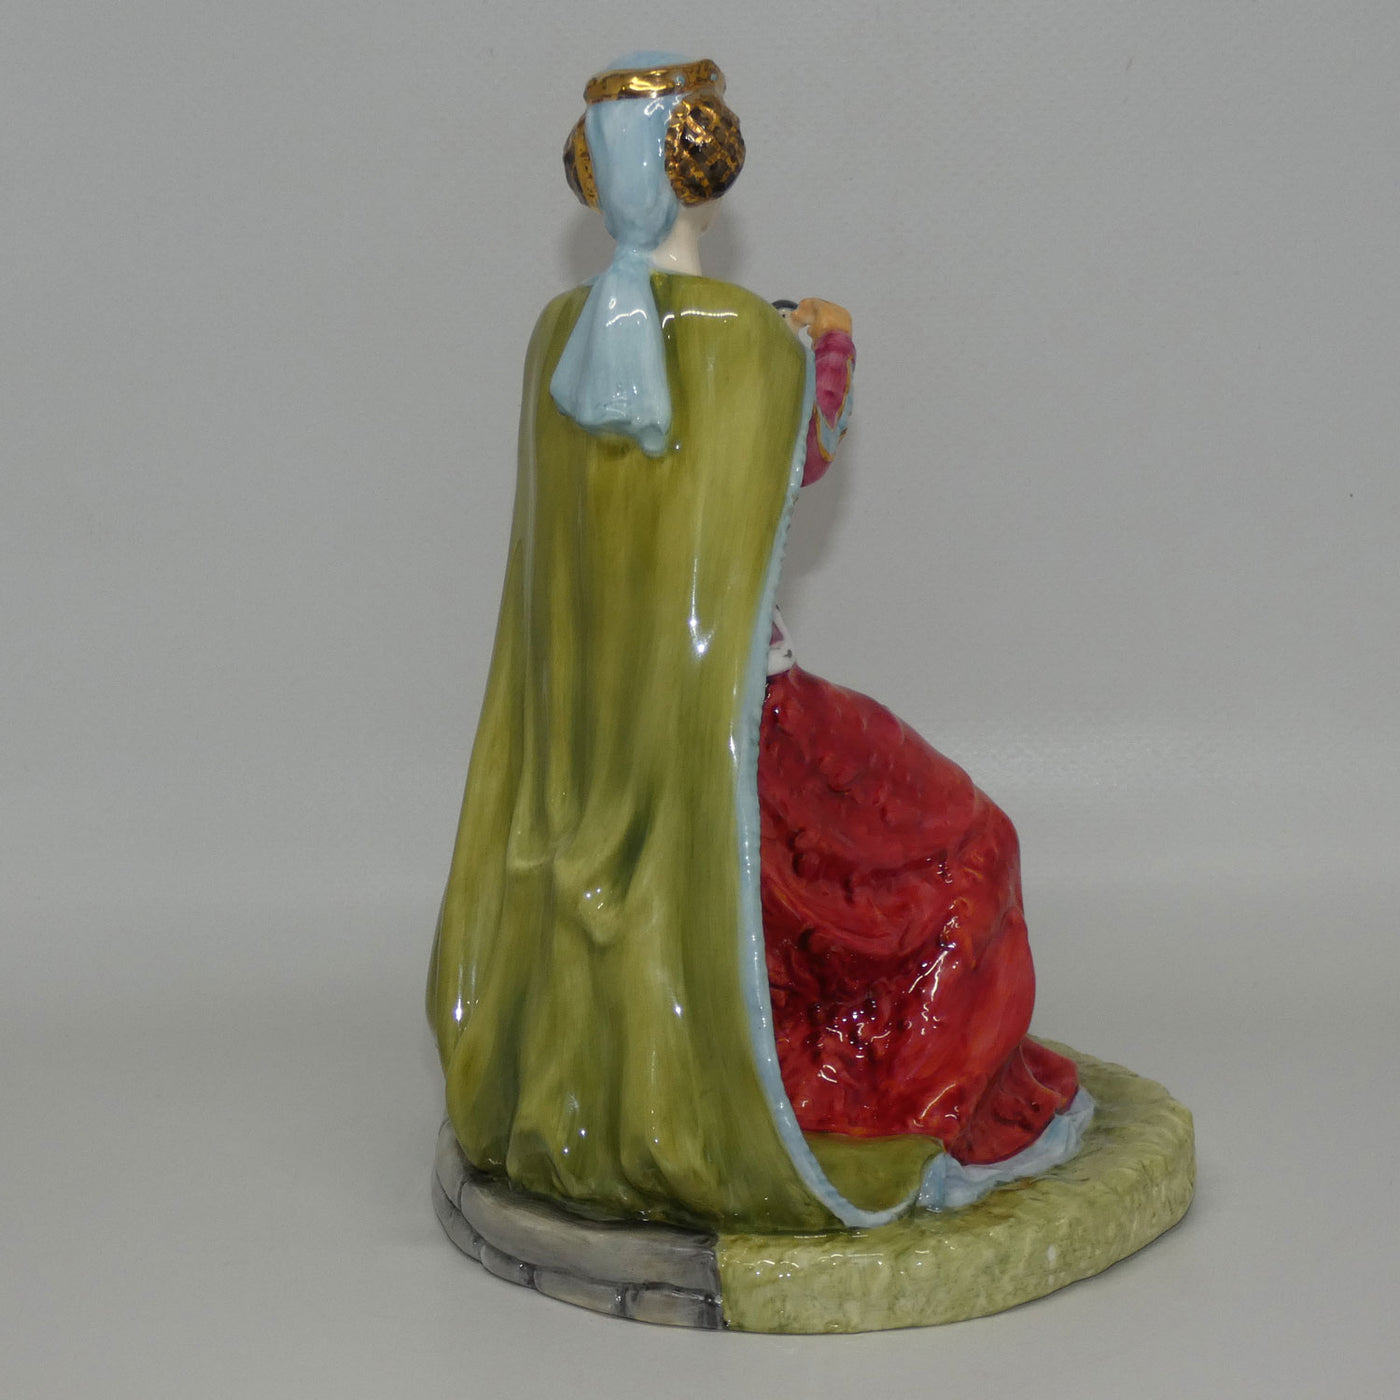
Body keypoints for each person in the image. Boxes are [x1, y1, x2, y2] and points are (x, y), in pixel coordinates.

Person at [427, 54, 1090, 1233]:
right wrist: (828, 347)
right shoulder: (748, 342)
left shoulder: (554, 340)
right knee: (968, 842)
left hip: (600, 727)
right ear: (708, 171)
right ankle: (882, 1088)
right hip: (736, 708)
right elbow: (803, 453)